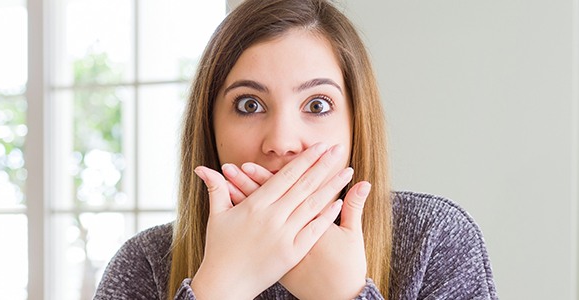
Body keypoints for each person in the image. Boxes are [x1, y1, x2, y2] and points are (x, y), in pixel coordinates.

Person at [94, 0, 498, 299]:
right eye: (249, 105)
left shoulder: (433, 240)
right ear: (209, 125)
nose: (283, 143)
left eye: (317, 105)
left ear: (357, 124)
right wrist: (221, 287)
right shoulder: (145, 263)